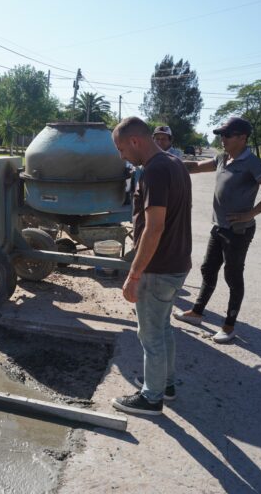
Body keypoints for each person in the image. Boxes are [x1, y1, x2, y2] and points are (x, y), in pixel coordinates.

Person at [174, 117, 261, 343]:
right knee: (208, 268)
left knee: (232, 276)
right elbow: (195, 167)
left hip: (238, 230)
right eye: (221, 135)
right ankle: (197, 312)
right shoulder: (222, 158)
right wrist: (168, 161)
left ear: (242, 138)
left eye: (227, 135)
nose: (222, 139)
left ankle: (229, 325)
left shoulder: (251, 163)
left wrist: (251, 213)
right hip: (219, 226)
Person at [110, 117, 192, 416]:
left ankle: (152, 398)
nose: (121, 156)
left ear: (135, 141)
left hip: (159, 267)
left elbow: (154, 228)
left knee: (150, 334)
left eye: (121, 149)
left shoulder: (155, 171)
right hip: (177, 262)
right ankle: (166, 386)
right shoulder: (174, 164)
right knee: (164, 327)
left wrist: (134, 274)